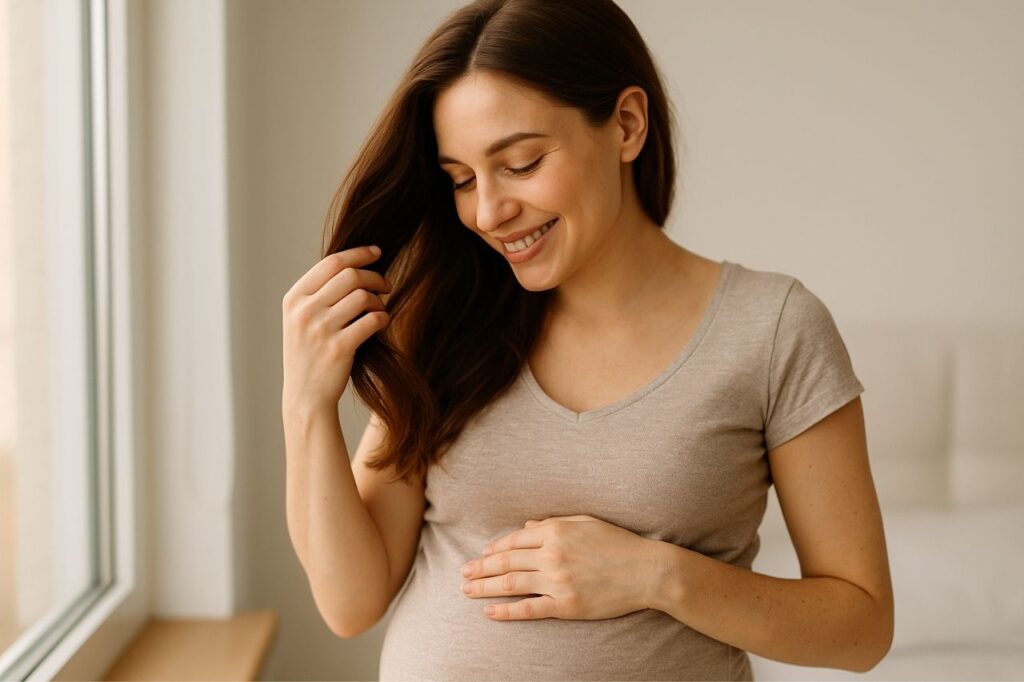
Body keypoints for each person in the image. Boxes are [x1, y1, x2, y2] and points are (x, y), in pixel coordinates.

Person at [281, 0, 894, 679]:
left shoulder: (772, 329)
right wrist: (305, 406)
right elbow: (349, 602)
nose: (488, 211)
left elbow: (861, 627)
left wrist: (656, 575)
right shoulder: (445, 322)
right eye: (461, 179)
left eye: (520, 162)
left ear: (627, 124)